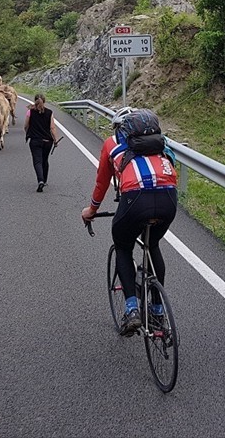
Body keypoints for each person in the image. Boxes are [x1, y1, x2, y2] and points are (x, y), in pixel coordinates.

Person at [81, 107, 178, 336]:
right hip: (168, 197)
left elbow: (102, 183)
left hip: (135, 198)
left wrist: (91, 210)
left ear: (120, 128)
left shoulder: (111, 143)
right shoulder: (159, 143)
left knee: (123, 246)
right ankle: (156, 310)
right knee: (152, 244)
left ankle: (132, 310)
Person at [24, 92, 58, 192]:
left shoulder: (30, 112)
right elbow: (52, 128)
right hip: (47, 141)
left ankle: (40, 180)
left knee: (37, 161)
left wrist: (27, 132)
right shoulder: (49, 112)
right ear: (44, 101)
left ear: (35, 101)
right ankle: (45, 179)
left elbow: (26, 125)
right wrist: (55, 140)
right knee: (45, 160)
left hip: (35, 140)